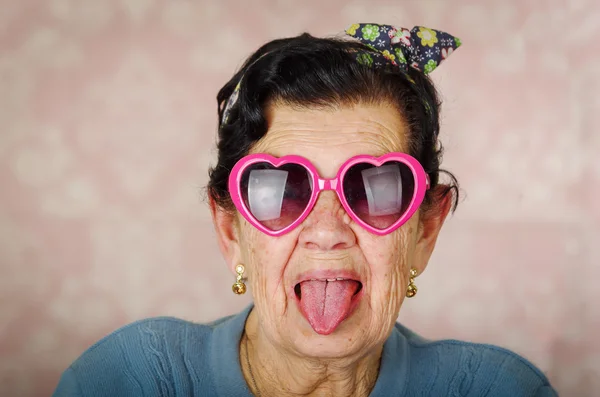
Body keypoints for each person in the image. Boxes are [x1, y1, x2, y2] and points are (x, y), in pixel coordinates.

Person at [53, 23, 557, 397]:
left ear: (425, 232)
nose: (326, 231)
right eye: (283, 189)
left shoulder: (498, 390)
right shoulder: (129, 379)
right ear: (231, 232)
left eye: (373, 189)